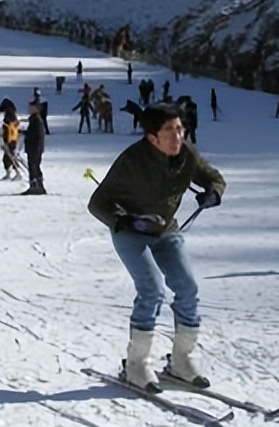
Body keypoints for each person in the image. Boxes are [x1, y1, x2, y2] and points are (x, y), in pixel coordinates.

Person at [86, 102, 227, 392]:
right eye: (169, 131)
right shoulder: (132, 161)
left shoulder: (186, 154)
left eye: (180, 128)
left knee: (187, 288)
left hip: (164, 231)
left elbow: (213, 177)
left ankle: (182, 359)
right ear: (152, 137)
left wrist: (213, 193)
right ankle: (137, 363)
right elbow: (97, 203)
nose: (178, 136)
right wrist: (122, 221)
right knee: (152, 290)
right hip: (131, 233)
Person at [22, 101, 47, 195]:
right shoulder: (34, 119)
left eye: (30, 107)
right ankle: (37, 186)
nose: (28, 109)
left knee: (34, 167)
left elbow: (36, 135)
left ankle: (36, 187)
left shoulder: (36, 120)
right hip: (35, 148)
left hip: (35, 148)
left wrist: (26, 134)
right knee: (34, 167)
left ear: (36, 109)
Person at [1, 106, 22, 180]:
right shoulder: (14, 123)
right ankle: (11, 173)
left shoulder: (8, 124)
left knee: (10, 159)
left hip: (10, 143)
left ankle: (16, 173)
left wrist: (6, 143)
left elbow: (8, 134)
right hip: (14, 142)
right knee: (10, 159)